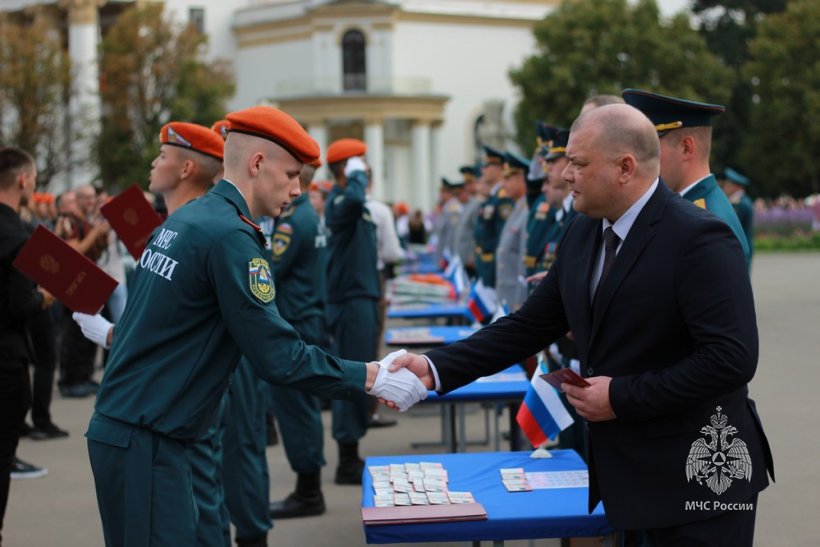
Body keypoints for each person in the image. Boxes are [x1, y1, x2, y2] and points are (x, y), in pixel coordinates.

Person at [389, 104, 773, 546]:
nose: (564, 174)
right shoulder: (584, 232)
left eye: (578, 163)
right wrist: (434, 368)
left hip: (700, 479)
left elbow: (731, 359)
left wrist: (621, 396)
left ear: (625, 168)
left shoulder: (698, 237)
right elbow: (529, 325)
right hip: (630, 477)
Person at [82, 107, 427, 546]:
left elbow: (154, 326)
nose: (298, 190)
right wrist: (371, 377)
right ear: (257, 164)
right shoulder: (230, 236)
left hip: (139, 426)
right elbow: (278, 356)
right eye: (291, 175)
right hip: (147, 435)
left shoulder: (189, 220)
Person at [266, 159, 331, 519]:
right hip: (309, 316)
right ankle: (309, 488)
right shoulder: (308, 216)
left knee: (296, 408)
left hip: (297, 320)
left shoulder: (292, 221)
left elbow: (272, 269)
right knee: (302, 407)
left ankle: (308, 492)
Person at [622, 89, 751, 266]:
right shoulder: (688, 210)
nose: (642, 157)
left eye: (651, 146)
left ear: (686, 148)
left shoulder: (708, 225)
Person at [0, 147, 55, 542]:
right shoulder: (17, 236)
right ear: (23, 180)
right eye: (33, 178)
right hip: (5, 363)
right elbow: (23, 305)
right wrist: (46, 296)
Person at [323, 138, 383, 485]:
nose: (367, 171)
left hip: (361, 298)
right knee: (350, 377)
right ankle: (346, 461)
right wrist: (356, 176)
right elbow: (356, 196)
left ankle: (352, 451)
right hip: (349, 302)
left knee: (361, 374)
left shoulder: (351, 202)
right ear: (346, 169)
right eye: (361, 164)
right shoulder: (341, 200)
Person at [474, 145, 514, 290]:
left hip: (494, 269)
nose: (482, 169)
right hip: (485, 266)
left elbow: (502, 238)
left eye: (487, 165)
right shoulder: (492, 197)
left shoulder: (503, 199)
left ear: (499, 168)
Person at [494, 152, 530, 311]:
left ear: (522, 179)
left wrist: (519, 306)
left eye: (508, 178)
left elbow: (523, 264)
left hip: (517, 302)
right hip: (506, 299)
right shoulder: (517, 209)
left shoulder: (528, 212)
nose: (503, 184)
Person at [721, 167, 755, 263]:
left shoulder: (741, 204)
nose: (725, 187)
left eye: (728, 185)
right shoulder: (740, 202)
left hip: (740, 248)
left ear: (735, 186)